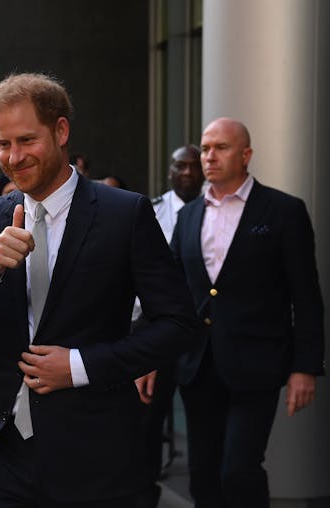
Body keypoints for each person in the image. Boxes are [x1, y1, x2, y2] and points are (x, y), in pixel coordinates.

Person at [0, 73, 201, 507]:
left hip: (94, 453)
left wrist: (79, 366)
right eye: (3, 143)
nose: (13, 157)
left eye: (26, 140)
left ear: (61, 131)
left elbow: (179, 324)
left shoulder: (124, 214)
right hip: (1, 451)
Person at [170, 117, 325, 507]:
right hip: (198, 364)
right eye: (205, 148)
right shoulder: (188, 216)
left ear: (246, 154)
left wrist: (305, 366)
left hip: (257, 364)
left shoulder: (284, 211)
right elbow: (173, 294)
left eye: (221, 148)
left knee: (239, 471)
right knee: (203, 474)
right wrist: (151, 357)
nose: (209, 156)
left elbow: (305, 295)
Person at [133, 144, 205, 507]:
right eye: (181, 166)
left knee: (205, 432)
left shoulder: (214, 211)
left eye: (195, 166)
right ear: (170, 172)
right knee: (146, 425)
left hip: (201, 336)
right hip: (155, 333)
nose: (189, 172)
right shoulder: (149, 211)